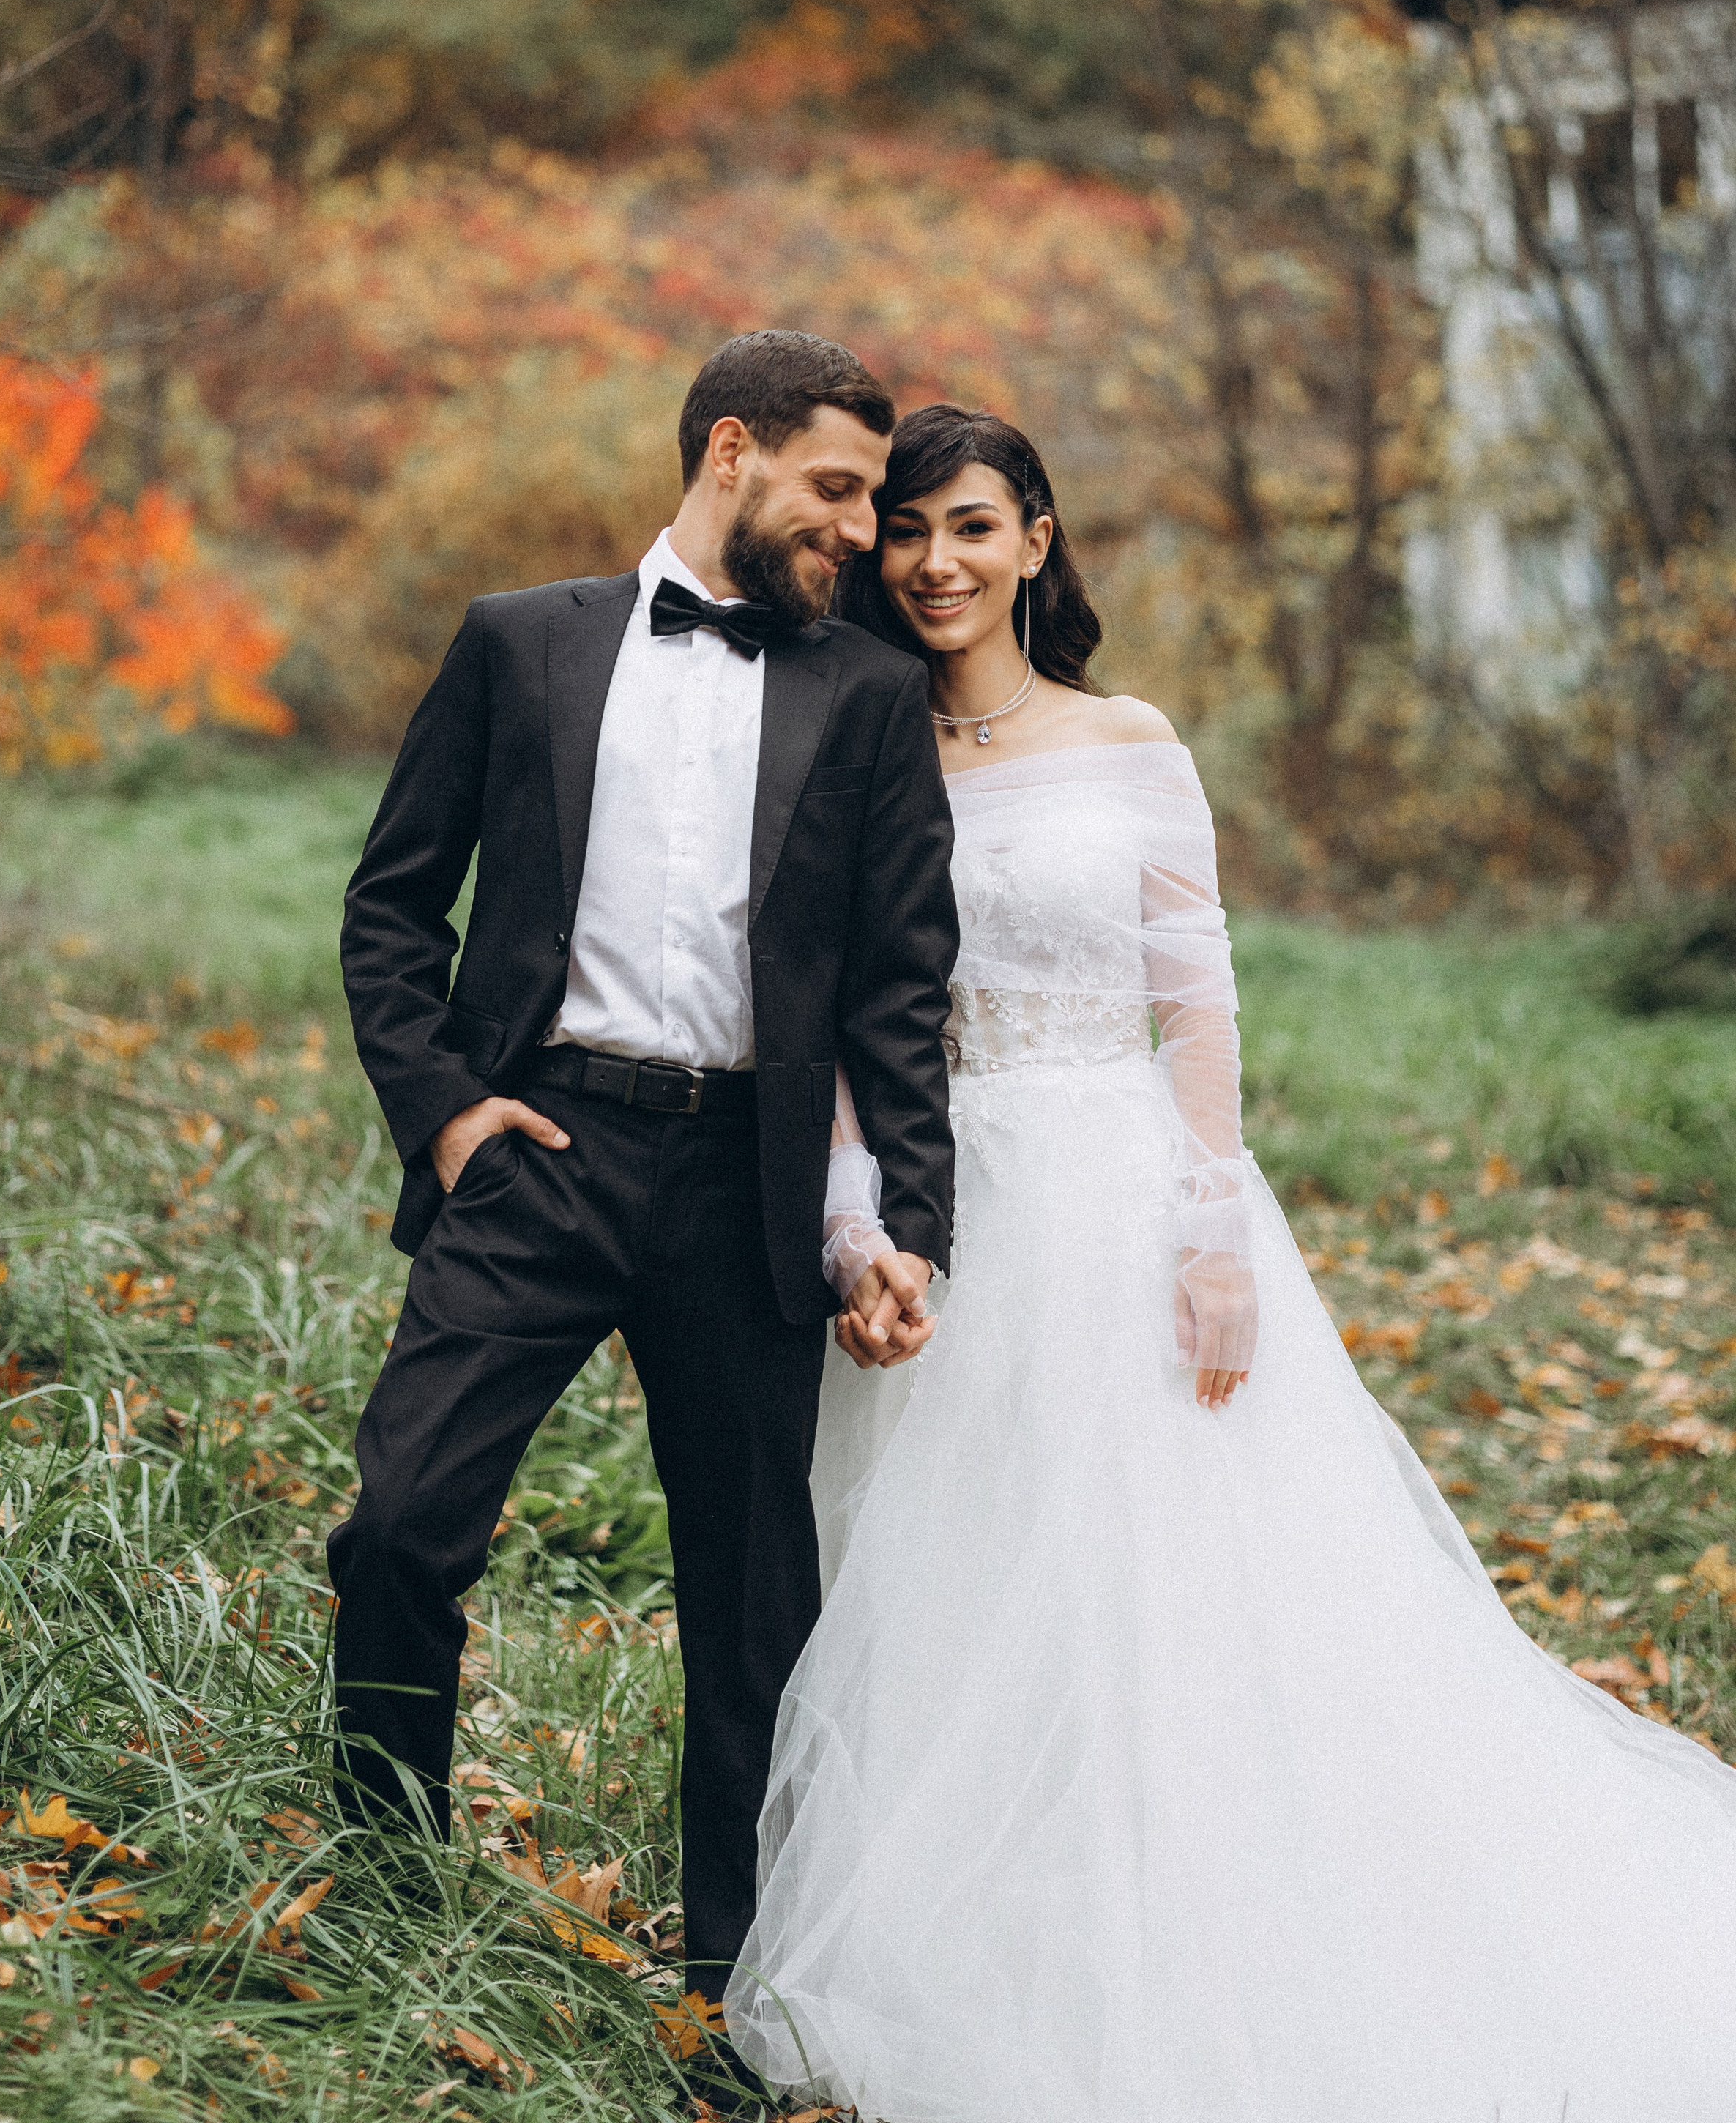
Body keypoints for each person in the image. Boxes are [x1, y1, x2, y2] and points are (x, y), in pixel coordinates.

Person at [726, 401, 1736, 2123]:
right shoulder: (851, 740)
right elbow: (828, 1015)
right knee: (952, 1584)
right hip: (937, 1211)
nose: (935, 562)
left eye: (971, 525)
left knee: (1158, 1577)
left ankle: (1210, 1902)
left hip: (1116, 1192)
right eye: (904, 531)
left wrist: (1210, 1225)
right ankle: (995, 1922)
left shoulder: (1128, 738)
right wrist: (860, 1220)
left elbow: (1193, 995)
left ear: (1036, 541)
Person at [328, 330, 958, 2015]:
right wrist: (447, 1110)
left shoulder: (870, 695)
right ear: (730, 450)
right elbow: (394, 904)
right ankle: (383, 1891)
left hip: (746, 1183)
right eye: (835, 489)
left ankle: (732, 1979)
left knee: (751, 1604)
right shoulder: (517, 643)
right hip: (535, 1152)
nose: (857, 532)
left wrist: (896, 1225)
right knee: (398, 1527)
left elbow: (899, 989)